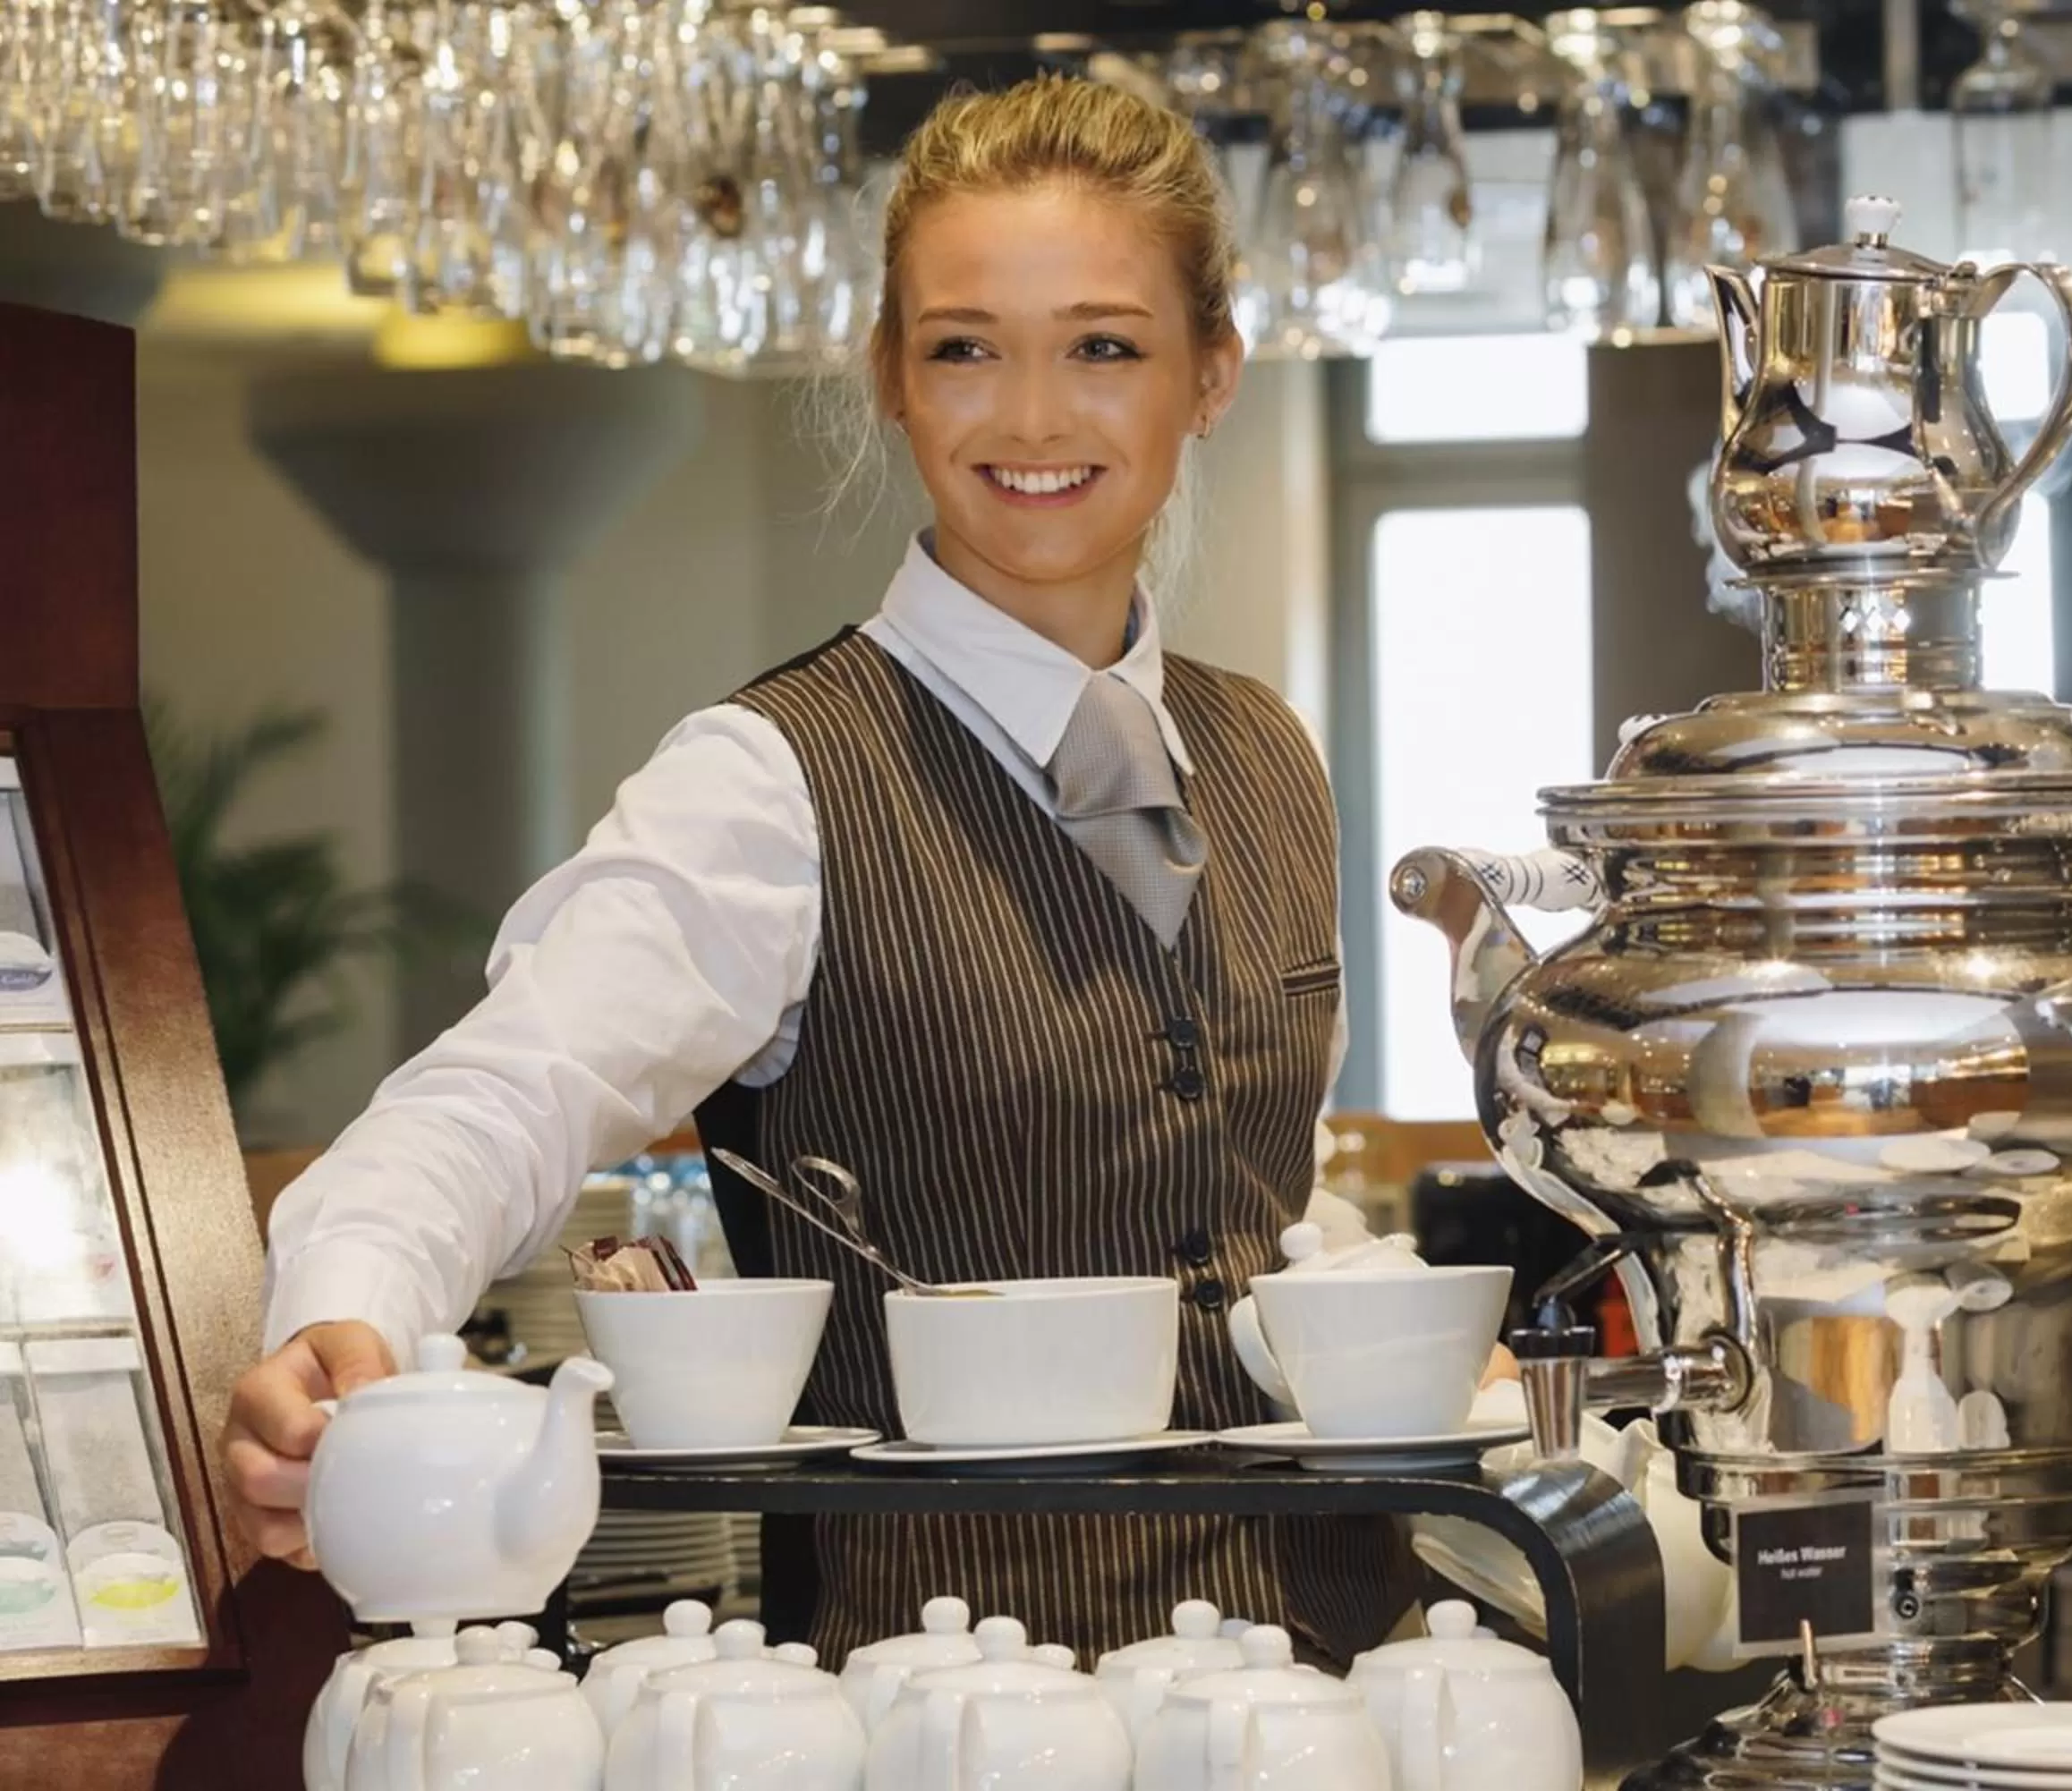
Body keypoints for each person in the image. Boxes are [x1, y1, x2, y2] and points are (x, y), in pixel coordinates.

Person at [222, 74, 1431, 1668]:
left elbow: (1242, 1211)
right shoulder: (773, 777)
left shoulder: (1268, 755)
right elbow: (500, 1094)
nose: (1033, 417)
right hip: (954, 1708)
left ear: (1212, 371)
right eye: (963, 349)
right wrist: (343, 1312)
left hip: (1333, 1687)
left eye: (1104, 346)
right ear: (890, 377)